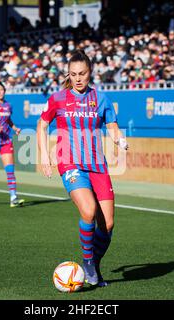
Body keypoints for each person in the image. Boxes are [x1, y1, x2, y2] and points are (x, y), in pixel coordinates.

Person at [37, 50, 128, 287]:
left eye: (82, 73)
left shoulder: (101, 99)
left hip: (97, 165)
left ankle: (93, 266)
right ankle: (87, 262)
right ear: (68, 74)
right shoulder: (58, 98)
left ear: (90, 73)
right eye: (73, 74)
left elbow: (112, 125)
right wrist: (45, 155)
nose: (78, 78)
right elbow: (42, 124)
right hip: (70, 163)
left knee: (107, 225)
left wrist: (120, 139)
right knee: (88, 211)